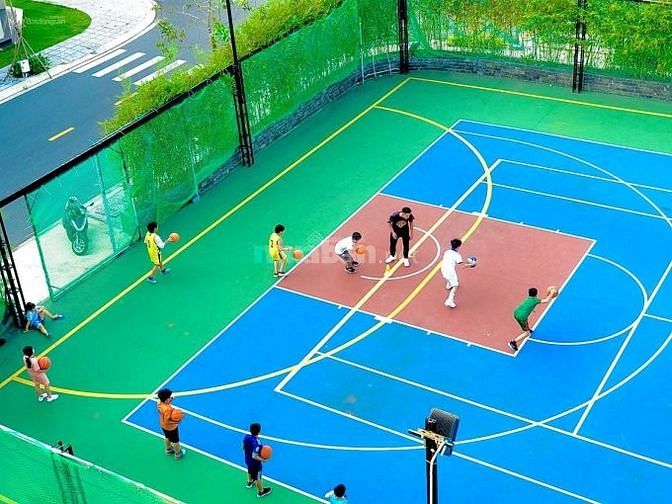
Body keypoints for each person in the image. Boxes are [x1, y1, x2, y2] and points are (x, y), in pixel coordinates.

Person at [508, 287, 554, 352]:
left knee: (525, 322)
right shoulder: (535, 300)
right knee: (527, 333)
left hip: (516, 313)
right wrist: (552, 293)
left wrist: (531, 309)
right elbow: (546, 300)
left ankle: (527, 328)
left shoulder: (528, 299)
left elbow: (527, 305)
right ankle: (513, 342)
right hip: (522, 317)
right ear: (536, 294)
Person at [440, 238, 475, 308]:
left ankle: (449, 284)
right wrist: (471, 264)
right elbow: (462, 266)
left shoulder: (447, 252)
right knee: (456, 285)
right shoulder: (457, 256)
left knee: (448, 278)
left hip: (443, 269)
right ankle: (449, 300)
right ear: (458, 247)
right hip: (450, 272)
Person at [242, 423, 272, 498]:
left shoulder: (246, 436)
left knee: (249, 470)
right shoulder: (257, 443)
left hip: (248, 460)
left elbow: (243, 445)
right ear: (259, 431)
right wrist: (263, 460)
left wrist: (245, 452)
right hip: (255, 464)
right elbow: (254, 456)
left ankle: (249, 482)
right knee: (258, 477)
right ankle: (261, 492)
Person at [157, 388, 185, 459]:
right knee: (175, 441)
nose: (171, 398)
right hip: (171, 427)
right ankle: (178, 453)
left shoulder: (159, 403)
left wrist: (171, 399)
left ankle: (168, 450)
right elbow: (169, 419)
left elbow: (165, 402)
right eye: (169, 397)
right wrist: (177, 420)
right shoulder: (168, 410)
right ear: (166, 399)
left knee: (167, 437)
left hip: (163, 425)